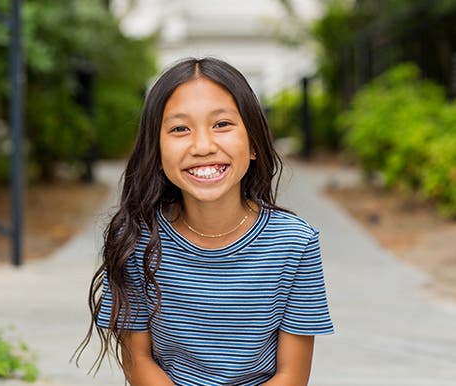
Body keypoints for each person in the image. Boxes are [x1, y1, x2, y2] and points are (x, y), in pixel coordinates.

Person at [75, 57, 334, 385]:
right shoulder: (137, 240)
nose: (202, 146)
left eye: (222, 124)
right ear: (157, 150)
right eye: (180, 129)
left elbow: (292, 374)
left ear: (253, 143)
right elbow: (138, 359)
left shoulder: (295, 242)